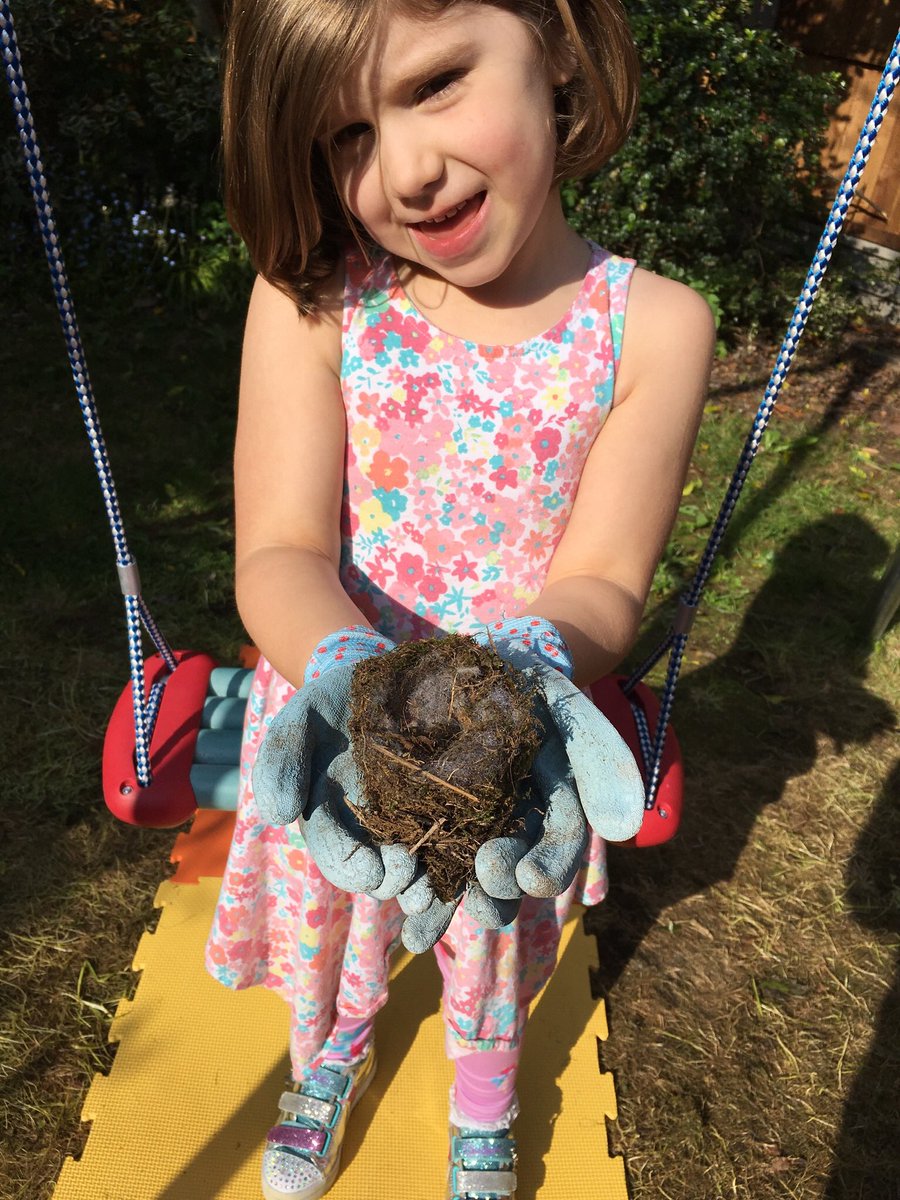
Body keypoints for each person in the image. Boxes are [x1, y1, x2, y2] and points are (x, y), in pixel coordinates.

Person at [205, 2, 715, 1198]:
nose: (408, 169)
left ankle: (483, 1093)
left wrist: (525, 671)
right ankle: (327, 1053)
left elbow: (603, 576)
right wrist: (358, 686)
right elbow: (277, 549)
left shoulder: (652, 328)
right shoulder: (316, 304)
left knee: (492, 936)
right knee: (342, 912)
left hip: (511, 743)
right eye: (344, 137)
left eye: (437, 83)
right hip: (342, 724)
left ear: (561, 47)